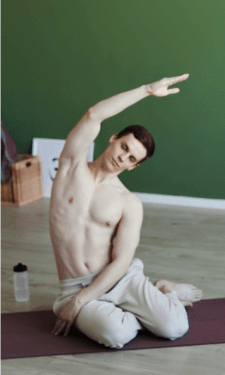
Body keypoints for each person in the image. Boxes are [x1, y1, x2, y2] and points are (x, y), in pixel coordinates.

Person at [49, 74, 203, 348]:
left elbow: (121, 262)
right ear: (113, 139)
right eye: (124, 147)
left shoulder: (129, 202)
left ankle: (164, 290)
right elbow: (94, 114)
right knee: (116, 335)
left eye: (132, 158)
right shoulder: (71, 167)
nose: (123, 156)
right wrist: (146, 90)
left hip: (120, 278)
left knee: (175, 327)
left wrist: (79, 305)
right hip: (75, 285)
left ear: (134, 167)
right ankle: (136, 310)